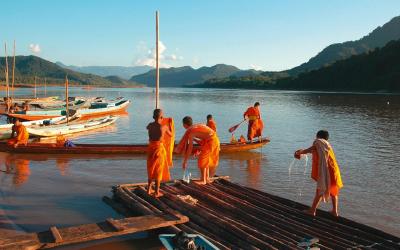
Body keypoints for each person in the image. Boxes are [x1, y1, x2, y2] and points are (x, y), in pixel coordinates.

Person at [294, 130, 343, 217]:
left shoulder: (319, 142)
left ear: (318, 136)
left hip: (327, 172)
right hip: (334, 171)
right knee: (334, 192)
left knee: (320, 190)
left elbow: (311, 149)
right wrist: (302, 151)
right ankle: (335, 212)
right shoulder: (327, 145)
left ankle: (312, 211)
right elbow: (313, 151)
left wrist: (299, 152)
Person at [175, 116, 220, 185]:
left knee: (202, 160)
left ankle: (203, 180)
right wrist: (195, 141)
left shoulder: (191, 132)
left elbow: (190, 148)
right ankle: (207, 178)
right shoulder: (196, 126)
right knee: (205, 159)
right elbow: (205, 136)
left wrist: (185, 161)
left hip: (212, 142)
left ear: (184, 125)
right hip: (214, 140)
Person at [146, 109, 172, 197]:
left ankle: (149, 189)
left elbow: (148, 127)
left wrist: (157, 120)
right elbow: (171, 134)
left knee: (151, 169)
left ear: (153, 117)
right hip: (158, 150)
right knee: (158, 170)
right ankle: (157, 192)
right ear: (162, 117)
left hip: (150, 149)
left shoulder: (149, 125)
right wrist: (170, 124)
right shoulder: (164, 127)